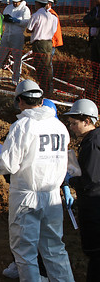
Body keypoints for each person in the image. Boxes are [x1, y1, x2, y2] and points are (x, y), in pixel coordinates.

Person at [0, 80, 75, 281]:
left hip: (27, 195)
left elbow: (8, 165)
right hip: (52, 196)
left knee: (25, 251)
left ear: (20, 101)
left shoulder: (22, 126)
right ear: (41, 100)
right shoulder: (59, 126)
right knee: (54, 248)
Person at [63, 99, 100, 282]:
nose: (72, 127)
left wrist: (72, 180)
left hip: (94, 207)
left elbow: (90, 180)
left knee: (95, 255)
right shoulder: (94, 140)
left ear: (87, 121)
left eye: (74, 123)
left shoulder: (92, 144)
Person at [0, 0, 31, 86]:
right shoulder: (8, 8)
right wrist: (5, 19)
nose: (15, 3)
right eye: (13, 1)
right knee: (0, 56)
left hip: (17, 36)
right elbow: (3, 18)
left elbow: (26, 22)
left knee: (17, 58)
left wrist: (16, 21)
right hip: (6, 35)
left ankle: (15, 79)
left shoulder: (25, 9)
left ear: (21, 0)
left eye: (16, 1)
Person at [26, 0, 58, 97]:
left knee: (40, 66)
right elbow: (53, 31)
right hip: (49, 42)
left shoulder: (36, 15)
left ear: (38, 3)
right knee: (47, 66)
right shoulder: (53, 17)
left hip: (39, 44)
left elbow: (29, 29)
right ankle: (48, 87)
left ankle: (44, 88)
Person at [83, 0, 100, 95]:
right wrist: (94, 21)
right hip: (94, 41)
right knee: (95, 64)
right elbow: (86, 19)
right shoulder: (95, 9)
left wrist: (93, 21)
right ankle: (96, 84)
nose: (95, 0)